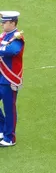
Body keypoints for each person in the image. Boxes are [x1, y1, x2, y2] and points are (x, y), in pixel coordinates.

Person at [0, 11, 24, 147]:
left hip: (10, 78)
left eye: (5, 22)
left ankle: (10, 138)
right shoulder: (4, 36)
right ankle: (2, 130)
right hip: (1, 76)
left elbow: (12, 51)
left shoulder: (17, 37)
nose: (2, 24)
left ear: (13, 23)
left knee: (9, 109)